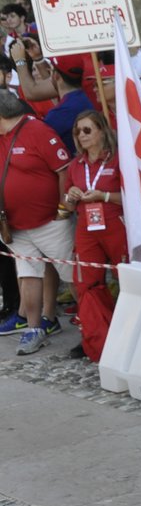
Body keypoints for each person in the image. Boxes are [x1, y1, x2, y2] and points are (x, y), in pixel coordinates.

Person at [0, 89, 70, 355]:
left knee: (72, 276)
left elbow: (64, 170)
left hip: (50, 222)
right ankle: (33, 328)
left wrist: (63, 209)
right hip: (15, 225)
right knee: (28, 275)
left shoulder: (38, 131)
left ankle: (93, 325)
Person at [62, 109, 124, 361]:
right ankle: (96, 339)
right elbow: (66, 204)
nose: (82, 136)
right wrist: (71, 196)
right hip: (86, 227)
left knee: (127, 277)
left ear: (101, 131)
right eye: (78, 131)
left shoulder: (117, 160)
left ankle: (127, 334)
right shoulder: (76, 165)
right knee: (87, 283)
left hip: (115, 225)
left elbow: (132, 197)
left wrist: (103, 196)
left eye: (87, 130)